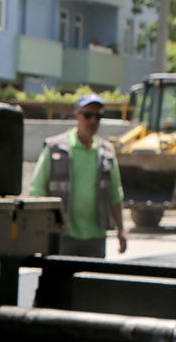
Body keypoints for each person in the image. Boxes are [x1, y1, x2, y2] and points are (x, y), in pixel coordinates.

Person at [28, 93, 127, 257]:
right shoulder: (56, 149)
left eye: (98, 116)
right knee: (59, 282)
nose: (93, 121)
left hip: (95, 236)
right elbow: (37, 190)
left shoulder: (106, 152)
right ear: (76, 115)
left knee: (91, 282)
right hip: (62, 234)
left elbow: (115, 194)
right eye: (88, 115)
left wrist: (121, 229)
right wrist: (39, 230)